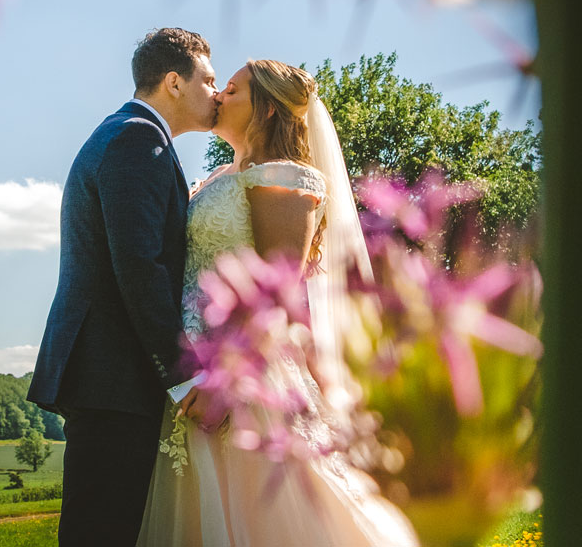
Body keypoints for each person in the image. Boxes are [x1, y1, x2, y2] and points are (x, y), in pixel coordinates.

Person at [137, 59, 419, 546]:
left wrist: (224, 378)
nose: (219, 96)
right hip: (194, 369)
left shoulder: (286, 177)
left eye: (232, 89)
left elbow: (279, 288)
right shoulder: (225, 174)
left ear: (267, 110)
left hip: (242, 377)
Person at [28, 27, 219, 546]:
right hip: (111, 374)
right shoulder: (138, 138)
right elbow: (138, 265)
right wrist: (186, 376)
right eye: (209, 79)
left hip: (110, 374)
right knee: (103, 531)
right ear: (174, 83)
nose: (216, 93)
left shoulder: (132, 134)